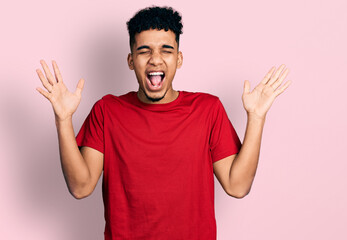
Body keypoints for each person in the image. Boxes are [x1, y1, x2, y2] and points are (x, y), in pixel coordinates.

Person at [36, 6, 291, 240]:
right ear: (130, 60)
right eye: (144, 50)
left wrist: (256, 118)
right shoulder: (107, 111)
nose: (155, 59)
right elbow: (80, 187)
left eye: (166, 50)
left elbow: (238, 186)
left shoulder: (207, 110)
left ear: (178, 59)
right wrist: (63, 119)